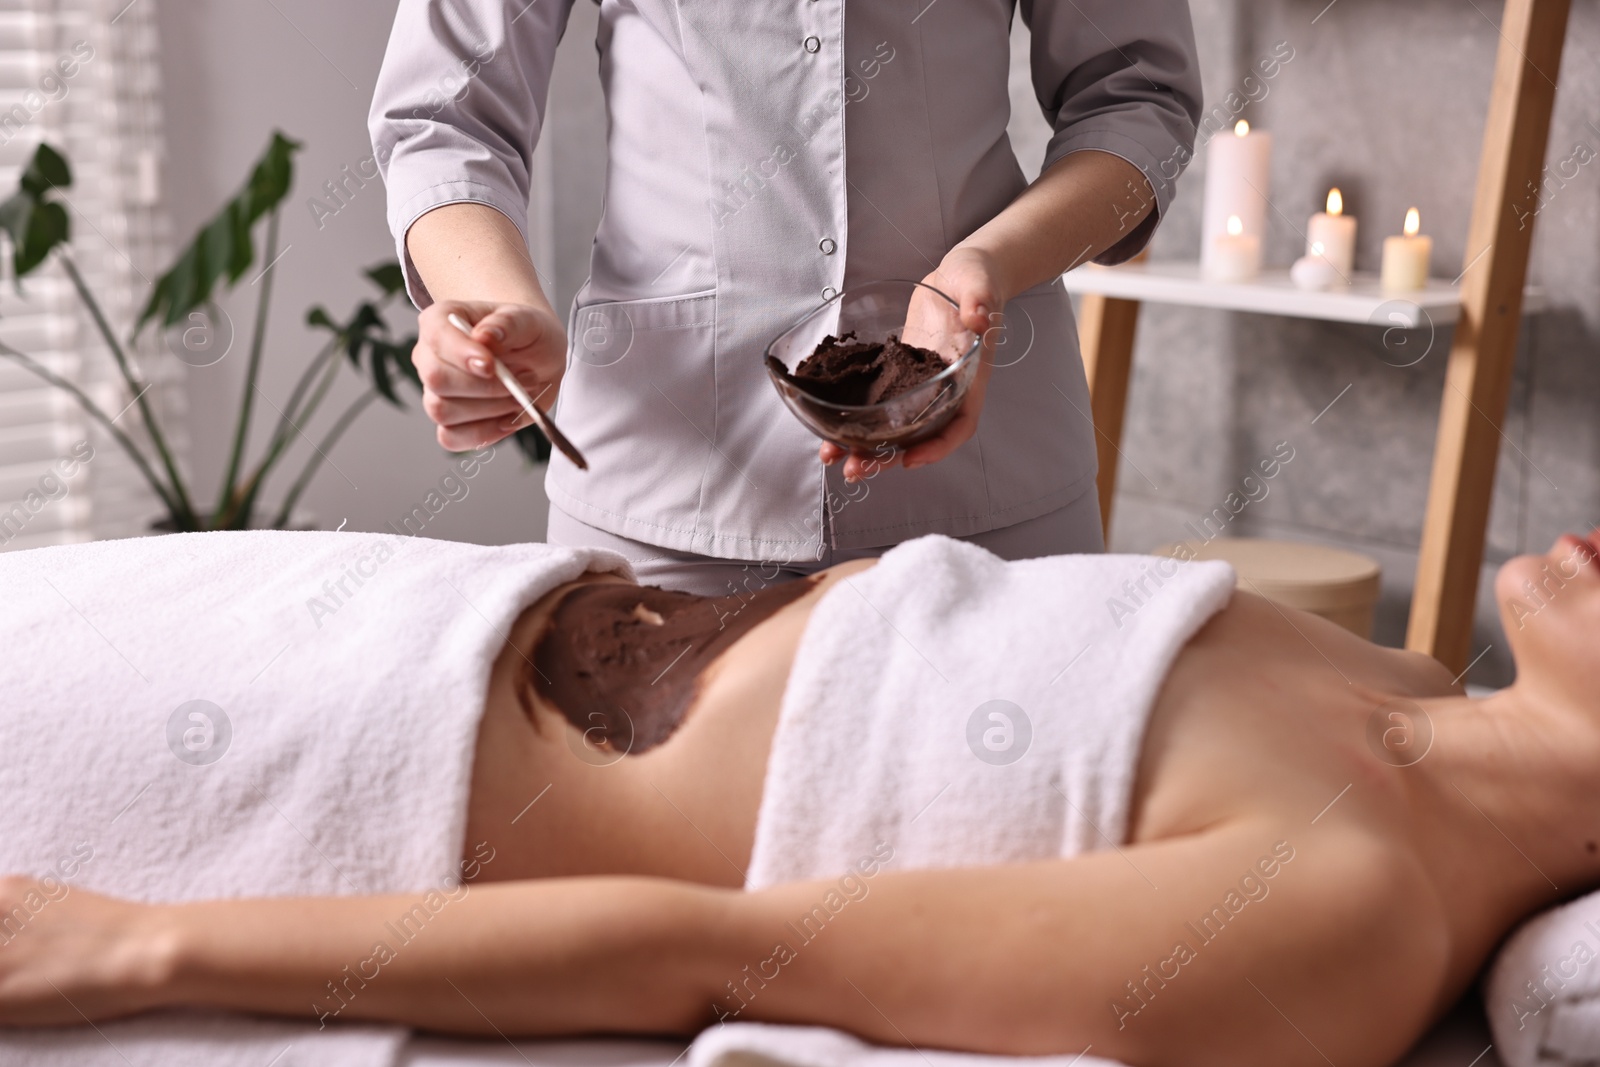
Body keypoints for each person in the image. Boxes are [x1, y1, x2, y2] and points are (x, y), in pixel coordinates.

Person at [3, 527, 1599, 1067]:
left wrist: (137, 947)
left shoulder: (1346, 911)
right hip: (417, 602)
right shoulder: (1404, 688)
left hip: (349, 751)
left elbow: (722, 951)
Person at [368, 0, 1204, 594]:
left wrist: (988, 263)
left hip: (988, 492)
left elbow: (1136, 98)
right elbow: (447, 116)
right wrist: (497, 306)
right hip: (662, 488)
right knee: (651, 839)